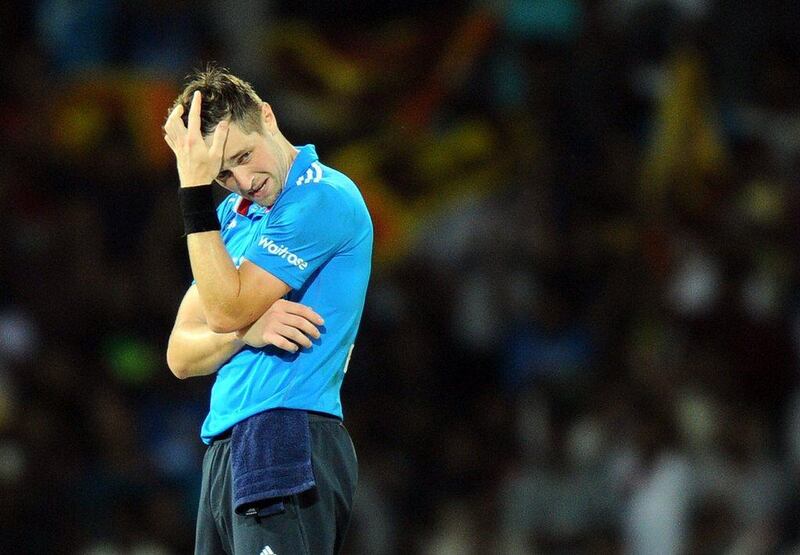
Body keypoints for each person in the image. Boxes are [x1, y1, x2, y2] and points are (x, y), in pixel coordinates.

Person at [163, 66, 372, 554]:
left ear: (268, 116)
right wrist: (244, 334)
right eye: (221, 175)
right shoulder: (233, 217)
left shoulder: (322, 197)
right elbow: (180, 354)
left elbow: (224, 309)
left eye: (242, 156)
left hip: (286, 434)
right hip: (225, 449)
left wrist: (192, 189)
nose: (241, 182)